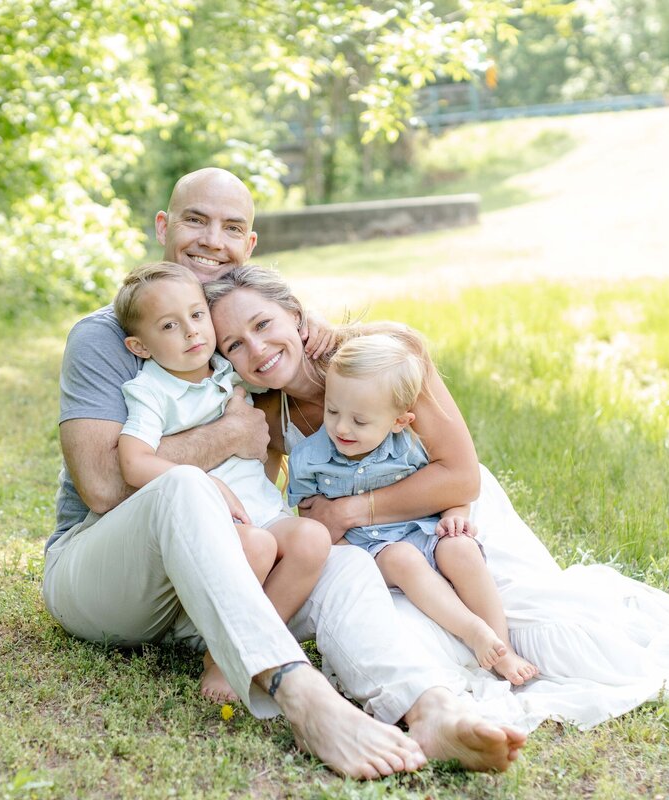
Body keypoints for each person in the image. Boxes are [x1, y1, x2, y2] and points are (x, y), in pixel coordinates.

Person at [43, 166, 527, 780]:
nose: (212, 241)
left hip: (221, 573)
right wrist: (230, 435)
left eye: (232, 228)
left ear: (249, 246)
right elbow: (105, 488)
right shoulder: (111, 335)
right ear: (164, 226)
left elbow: (278, 333)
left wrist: (323, 327)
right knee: (186, 485)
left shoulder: (225, 335)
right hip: (108, 579)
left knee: (337, 557)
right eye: (196, 220)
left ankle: (427, 708)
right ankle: (302, 695)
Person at [206, 264, 669, 730]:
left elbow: (460, 477)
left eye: (263, 324)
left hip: (451, 520)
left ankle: (505, 649)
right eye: (234, 343)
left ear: (296, 316)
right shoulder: (270, 415)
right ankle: (460, 686)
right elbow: (292, 508)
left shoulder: (383, 358)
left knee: (544, 633)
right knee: (415, 646)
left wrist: (350, 511)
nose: (256, 347)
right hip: (384, 554)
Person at [112, 260, 331, 703]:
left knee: (312, 539)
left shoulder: (223, 364)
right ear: (140, 346)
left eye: (197, 316)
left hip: (262, 507)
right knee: (258, 546)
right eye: (169, 326)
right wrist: (210, 484)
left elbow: (269, 333)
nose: (192, 332)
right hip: (214, 520)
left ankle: (263, 640)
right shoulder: (151, 392)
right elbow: (134, 463)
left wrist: (317, 324)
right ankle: (221, 659)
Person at [287, 332, 539, 686]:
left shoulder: (408, 448)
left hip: (420, 529)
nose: (341, 427)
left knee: (462, 550)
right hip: (370, 550)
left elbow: (451, 492)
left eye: (359, 421)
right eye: (332, 411)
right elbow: (310, 522)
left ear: (399, 422)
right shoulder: (308, 459)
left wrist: (456, 516)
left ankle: (502, 647)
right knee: (402, 558)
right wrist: (345, 556)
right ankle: (472, 630)